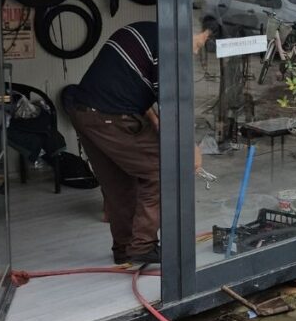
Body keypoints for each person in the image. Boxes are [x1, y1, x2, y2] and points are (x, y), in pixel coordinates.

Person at [65, 18, 219, 264]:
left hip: (85, 112)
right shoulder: (169, 46)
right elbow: (172, 103)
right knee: (161, 170)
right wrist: (191, 148)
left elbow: (131, 80)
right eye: (198, 44)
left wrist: (154, 119)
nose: (194, 52)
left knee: (118, 184)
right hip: (111, 116)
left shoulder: (147, 31)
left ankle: (125, 249)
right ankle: (143, 246)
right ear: (186, 30)